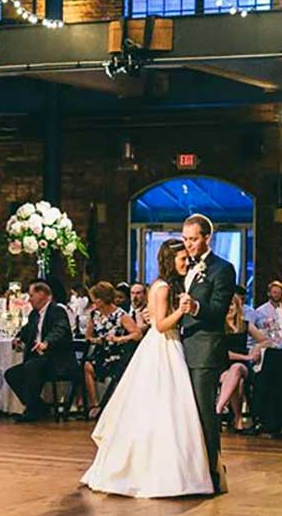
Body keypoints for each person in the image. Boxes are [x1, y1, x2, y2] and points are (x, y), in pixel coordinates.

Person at [81, 239, 214, 498]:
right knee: (164, 404)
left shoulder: (163, 285)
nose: (186, 262)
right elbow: (161, 325)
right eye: (182, 259)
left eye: (187, 258)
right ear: (169, 261)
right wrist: (183, 311)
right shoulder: (163, 287)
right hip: (164, 344)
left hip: (167, 345)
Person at [179, 213, 237, 494]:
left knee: (204, 412)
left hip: (205, 349)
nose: (188, 244)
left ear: (206, 238)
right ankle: (189, 471)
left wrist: (196, 309)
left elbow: (217, 310)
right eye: (185, 239)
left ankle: (213, 473)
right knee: (184, 414)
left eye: (193, 239)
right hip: (181, 347)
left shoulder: (222, 269)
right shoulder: (183, 267)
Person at [5, 281, 77, 423]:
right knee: (12, 374)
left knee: (32, 367)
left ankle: (31, 411)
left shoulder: (57, 310)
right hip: (40, 359)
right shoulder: (34, 314)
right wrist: (19, 338)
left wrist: (46, 343)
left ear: (42, 295)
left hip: (57, 359)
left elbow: (60, 329)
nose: (29, 299)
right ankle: (38, 406)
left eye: (32, 295)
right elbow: (26, 331)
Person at [82, 282, 140, 419]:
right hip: (101, 350)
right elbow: (88, 336)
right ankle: (95, 404)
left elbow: (137, 334)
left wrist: (119, 339)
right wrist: (97, 340)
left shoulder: (121, 315)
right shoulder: (94, 315)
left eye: (95, 299)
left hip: (117, 352)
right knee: (87, 366)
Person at [217, 290, 271, 432]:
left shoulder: (245, 324)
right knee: (238, 382)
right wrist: (246, 356)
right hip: (223, 366)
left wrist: (256, 348)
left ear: (238, 306)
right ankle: (238, 419)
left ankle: (219, 408)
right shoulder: (218, 326)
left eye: (232, 305)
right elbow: (223, 353)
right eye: (227, 305)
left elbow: (267, 340)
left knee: (237, 368)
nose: (229, 308)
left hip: (242, 367)